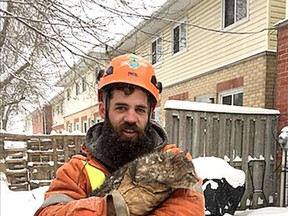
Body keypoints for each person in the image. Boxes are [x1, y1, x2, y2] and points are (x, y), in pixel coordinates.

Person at [35, 54, 205, 216]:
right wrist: (109, 208)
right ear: (103, 110)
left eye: (140, 110)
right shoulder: (78, 170)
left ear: (150, 113)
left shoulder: (175, 161)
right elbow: (48, 213)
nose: (131, 118)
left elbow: (189, 207)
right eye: (121, 108)